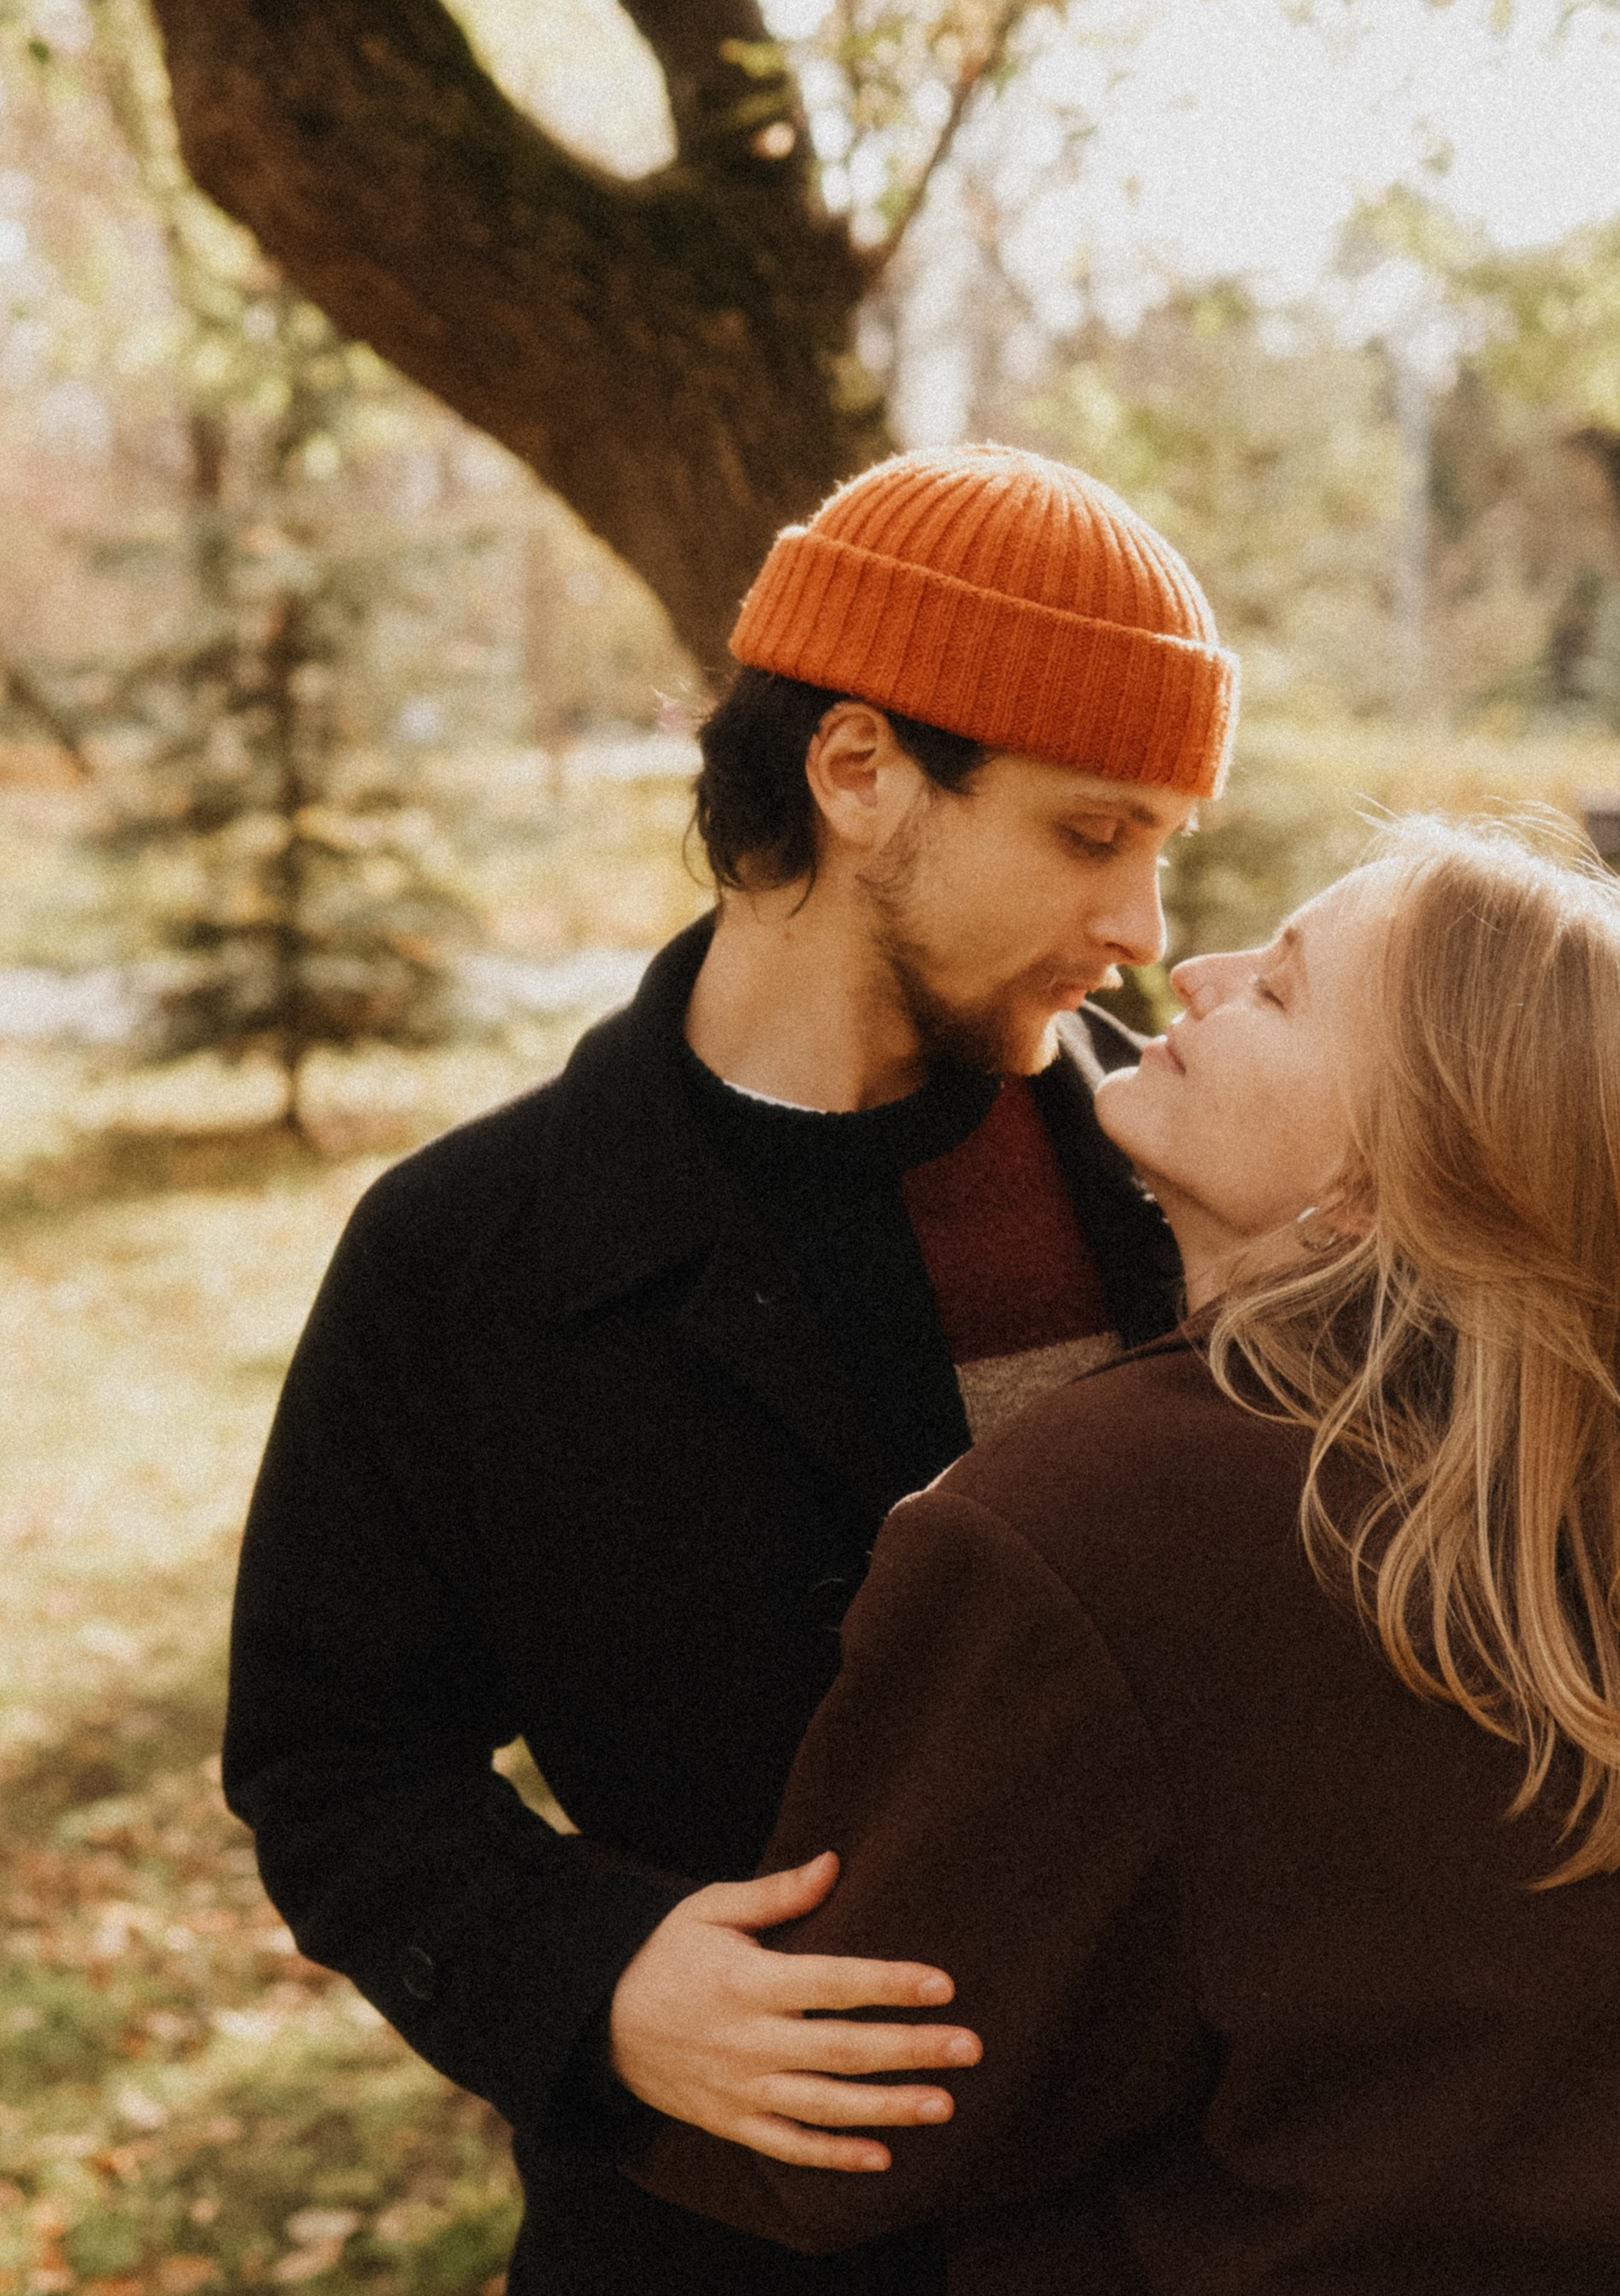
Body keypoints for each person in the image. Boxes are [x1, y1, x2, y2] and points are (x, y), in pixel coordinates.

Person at [222, 444, 1239, 2293]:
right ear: (857, 770)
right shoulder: (465, 1254)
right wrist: (596, 1982)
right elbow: (335, 1761)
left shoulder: (1200, 1191)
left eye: (1164, 846)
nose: (1137, 934)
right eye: (1092, 832)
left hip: (1172, 2231)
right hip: (701, 2248)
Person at [632, 814, 1620, 2292]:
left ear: (1374, 1177)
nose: (1193, 969)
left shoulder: (1084, 1526)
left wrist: (602, 2006)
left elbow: (855, 2115)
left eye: (1280, 992)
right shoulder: (1560, 1473)